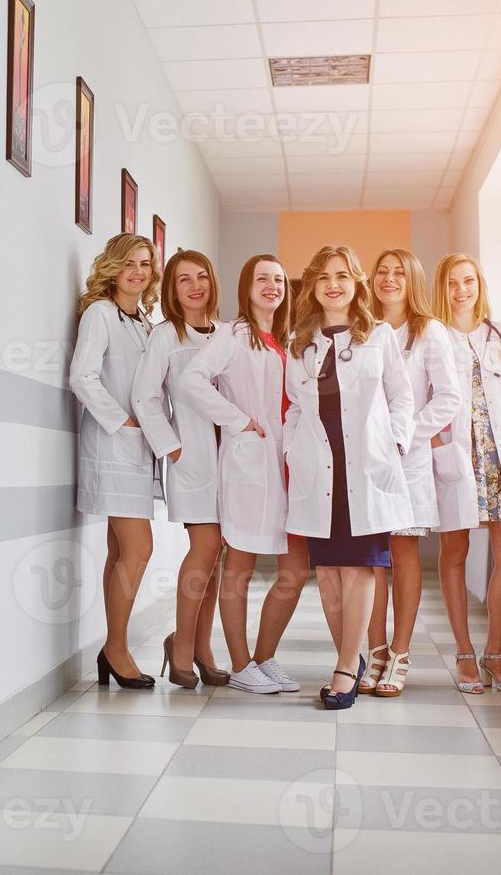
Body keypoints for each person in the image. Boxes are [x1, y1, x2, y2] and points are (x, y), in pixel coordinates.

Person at [283, 246, 414, 710]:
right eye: (323, 277)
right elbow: (296, 407)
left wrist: (395, 441)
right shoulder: (299, 342)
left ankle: (343, 668)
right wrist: (290, 449)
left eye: (342, 275)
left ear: (356, 283)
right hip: (320, 469)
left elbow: (401, 396)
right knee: (330, 573)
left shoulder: (379, 335)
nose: (333, 284)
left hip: (366, 466)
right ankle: (353, 658)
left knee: (359, 567)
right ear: (313, 287)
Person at [182, 254, 308, 695]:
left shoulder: (287, 340)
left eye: (278, 279)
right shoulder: (231, 335)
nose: (272, 286)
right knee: (240, 563)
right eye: (262, 279)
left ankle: (264, 656)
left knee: (296, 568)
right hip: (249, 463)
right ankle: (240, 664)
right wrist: (237, 421)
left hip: (286, 465)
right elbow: (192, 379)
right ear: (247, 286)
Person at [431, 253, 501, 694]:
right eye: (452, 283)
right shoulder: (432, 335)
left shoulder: (500, 334)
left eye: (468, 281)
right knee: (454, 551)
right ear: (443, 288)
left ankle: (494, 652)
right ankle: (465, 652)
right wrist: (439, 451)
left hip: (498, 457)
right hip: (457, 456)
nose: (461, 291)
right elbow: (423, 398)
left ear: (479, 284)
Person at [364, 248, 461, 698]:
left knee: (401, 554)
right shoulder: (363, 328)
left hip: (409, 458)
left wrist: (403, 435)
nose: (389, 279)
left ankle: (400, 654)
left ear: (413, 280)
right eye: (382, 271)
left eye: (398, 272)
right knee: (369, 561)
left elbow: (448, 398)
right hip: (365, 460)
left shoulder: (430, 332)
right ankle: (375, 650)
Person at [131, 250, 230, 688]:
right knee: (205, 549)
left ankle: (201, 647)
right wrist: (173, 449)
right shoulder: (165, 336)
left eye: (202, 276)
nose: (195, 286)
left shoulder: (229, 333)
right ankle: (183, 646)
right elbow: (145, 398)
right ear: (172, 289)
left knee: (219, 558)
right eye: (184, 279)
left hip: (234, 459)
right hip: (192, 458)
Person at [68, 233, 161, 689]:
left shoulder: (142, 318)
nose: (138, 272)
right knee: (140, 548)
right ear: (112, 266)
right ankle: (117, 648)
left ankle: (113, 646)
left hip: (137, 447)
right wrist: (122, 422)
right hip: (114, 446)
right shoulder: (100, 314)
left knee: (119, 550)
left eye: (146, 264)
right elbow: (82, 377)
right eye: (130, 263)